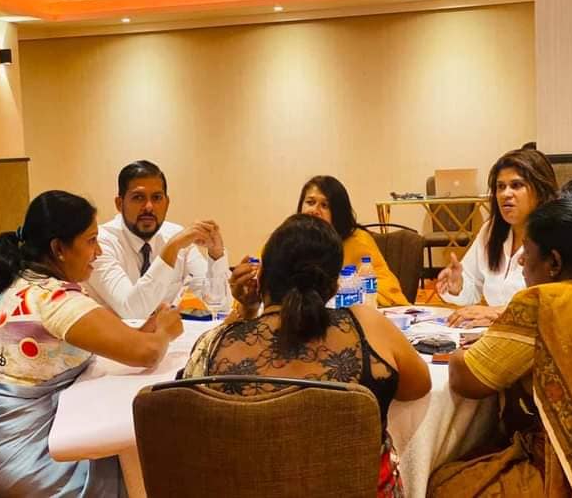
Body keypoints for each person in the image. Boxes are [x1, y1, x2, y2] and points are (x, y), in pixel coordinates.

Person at [0, 190, 183, 497]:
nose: (98, 253)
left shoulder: (16, 280)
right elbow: (146, 353)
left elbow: (119, 333)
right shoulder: (56, 299)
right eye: (90, 241)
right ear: (59, 248)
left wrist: (150, 328)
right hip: (18, 464)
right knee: (141, 462)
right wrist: (164, 331)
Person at [184, 213, 431, 497]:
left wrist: (244, 312)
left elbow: (191, 404)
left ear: (261, 276)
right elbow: (418, 385)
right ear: (335, 286)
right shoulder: (367, 324)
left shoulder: (217, 344)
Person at [429, 198, 572, 496]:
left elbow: (467, 380)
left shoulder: (546, 302)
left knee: (445, 484)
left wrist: (469, 349)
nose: (521, 260)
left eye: (528, 251)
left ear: (554, 262)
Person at [85, 160, 230, 320]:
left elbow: (220, 305)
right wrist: (171, 250)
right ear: (120, 204)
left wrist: (216, 254)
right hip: (111, 342)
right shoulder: (99, 243)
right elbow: (132, 311)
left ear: (167, 203)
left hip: (164, 341)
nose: (149, 206)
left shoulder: (175, 235)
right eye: (138, 197)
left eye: (157, 198)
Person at [437, 149, 558, 326]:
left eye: (516, 185)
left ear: (540, 191)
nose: (505, 194)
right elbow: (472, 290)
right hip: (494, 334)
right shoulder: (491, 230)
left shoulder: (557, 235)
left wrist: (497, 312)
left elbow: (556, 306)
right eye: (500, 187)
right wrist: (458, 287)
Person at [298, 175, 411, 306]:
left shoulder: (358, 241)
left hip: (353, 316)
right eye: (310, 203)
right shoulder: (291, 239)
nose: (314, 211)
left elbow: (387, 291)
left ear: (338, 212)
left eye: (324, 205)